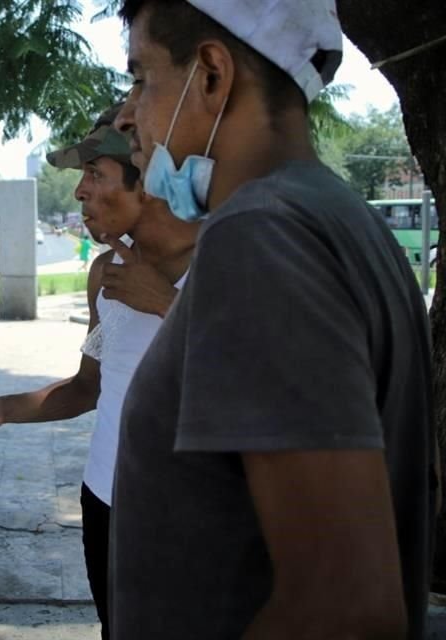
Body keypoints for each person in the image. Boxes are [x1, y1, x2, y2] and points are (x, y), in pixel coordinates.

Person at [110, 1, 435, 638]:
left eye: (142, 78)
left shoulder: (259, 235)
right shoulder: (339, 216)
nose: (129, 114)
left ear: (210, 74)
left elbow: (344, 609)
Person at [0, 103, 199, 639]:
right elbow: (87, 386)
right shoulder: (105, 273)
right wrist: (0, 410)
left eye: (95, 175)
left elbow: (247, 382)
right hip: (105, 499)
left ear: (148, 182)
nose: (79, 192)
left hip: (186, 506)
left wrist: (167, 303)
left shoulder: (222, 260)